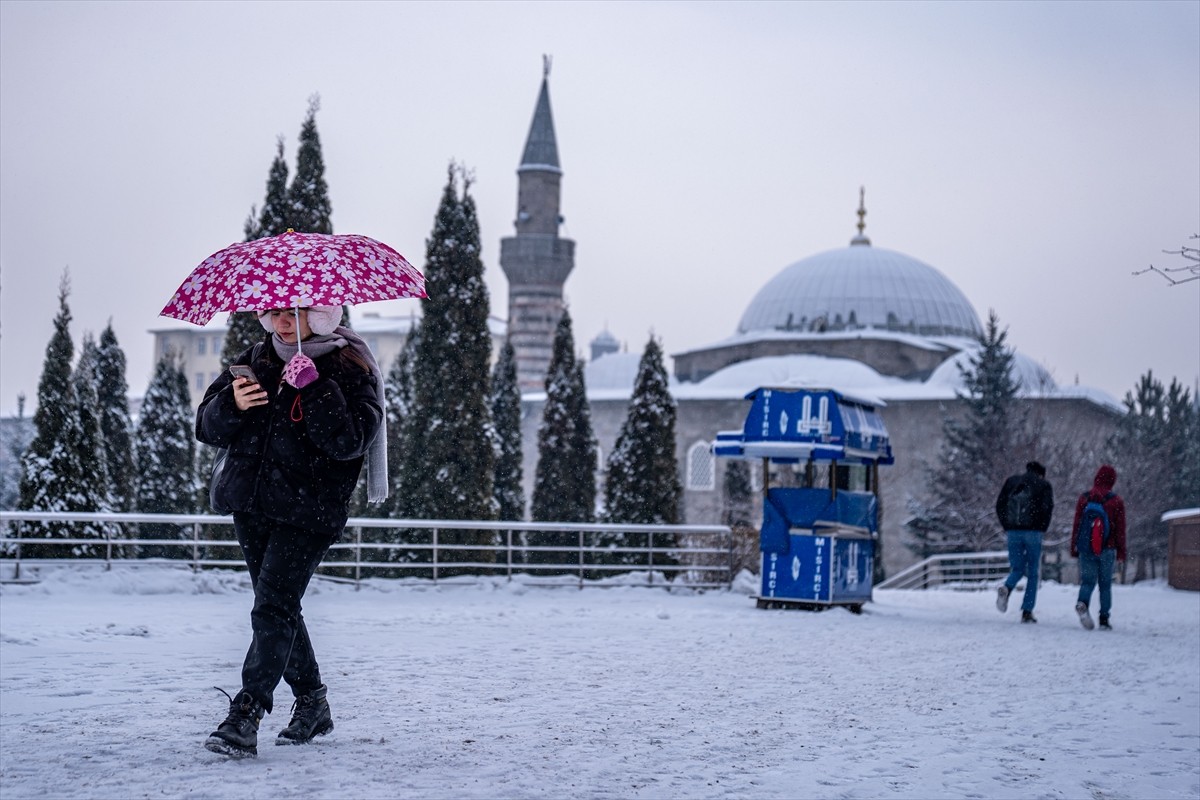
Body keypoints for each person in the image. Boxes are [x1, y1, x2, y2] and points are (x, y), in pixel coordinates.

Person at [196, 306, 386, 757]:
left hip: (309, 511)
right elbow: (206, 425)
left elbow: (350, 441)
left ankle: (247, 713)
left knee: (272, 608)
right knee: (277, 607)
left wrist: (315, 387)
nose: (284, 320)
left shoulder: (349, 364)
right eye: (276, 311)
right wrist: (232, 404)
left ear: (321, 317)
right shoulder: (256, 358)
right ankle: (313, 702)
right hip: (252, 504)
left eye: (298, 312)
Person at [994, 461, 1054, 623]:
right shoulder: (1043, 485)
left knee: (1018, 568)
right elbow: (1047, 508)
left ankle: (1007, 587)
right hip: (1033, 532)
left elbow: (999, 505)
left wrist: (1007, 526)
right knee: (1033, 572)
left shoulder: (1012, 481)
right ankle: (1027, 611)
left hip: (1013, 531)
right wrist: (1041, 528)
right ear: (1041, 473)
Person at [1071, 464, 1126, 631]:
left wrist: (1074, 546)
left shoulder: (1084, 498)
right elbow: (1120, 529)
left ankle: (1083, 603)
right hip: (1107, 548)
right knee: (1105, 585)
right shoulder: (1116, 501)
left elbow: (1077, 525)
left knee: (1087, 581)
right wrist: (1121, 551)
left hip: (1086, 548)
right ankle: (1104, 618)